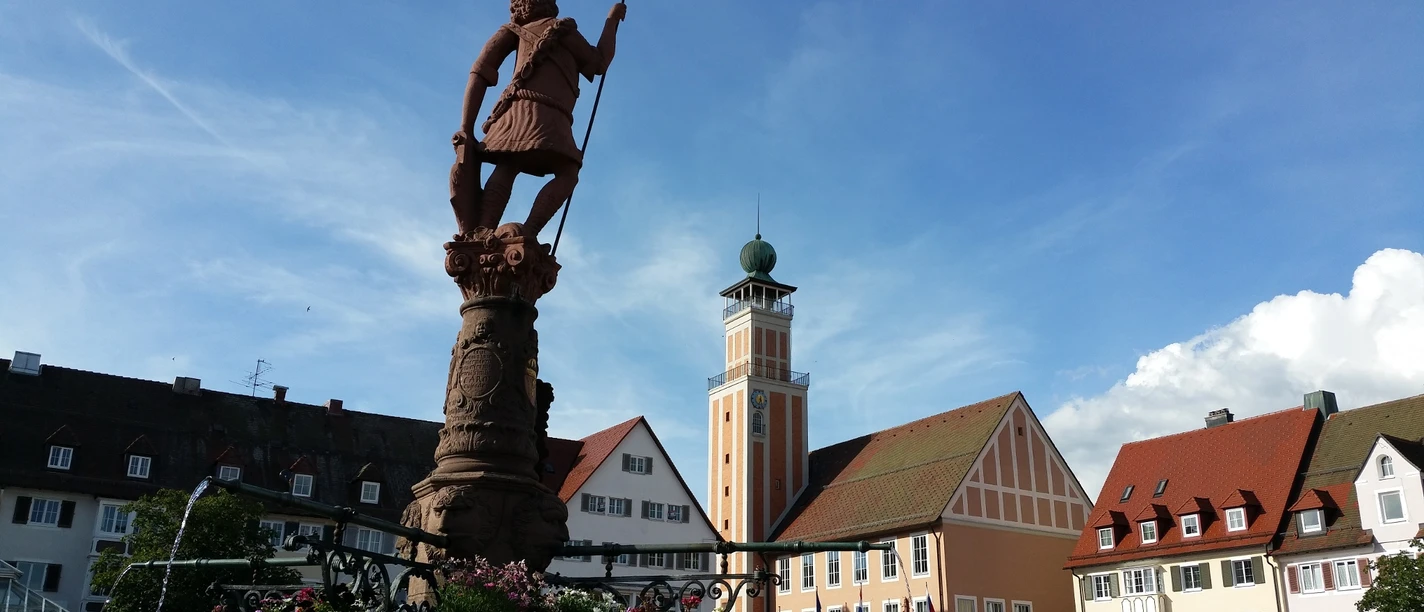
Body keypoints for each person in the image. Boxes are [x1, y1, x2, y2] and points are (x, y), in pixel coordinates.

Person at [450, 0, 627, 237]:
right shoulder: (557, 30)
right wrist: (612, 21)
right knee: (566, 172)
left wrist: (467, 125)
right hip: (544, 113)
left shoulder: (540, 31)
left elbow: (480, 72)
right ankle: (526, 231)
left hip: (527, 113)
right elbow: (599, 62)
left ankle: (488, 229)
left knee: (510, 163)